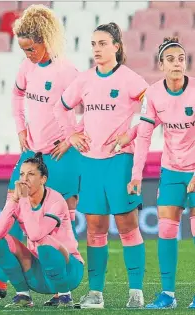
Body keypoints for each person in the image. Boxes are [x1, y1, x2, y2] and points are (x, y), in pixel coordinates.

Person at [0, 4, 81, 307]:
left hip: (61, 155)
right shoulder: (27, 67)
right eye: (23, 49)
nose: (28, 54)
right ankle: (8, 282)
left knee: (56, 221)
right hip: (33, 151)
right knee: (16, 208)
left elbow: (87, 109)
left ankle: (62, 289)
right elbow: (17, 95)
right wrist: (20, 129)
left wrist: (70, 139)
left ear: (46, 40)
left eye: (31, 48)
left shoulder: (67, 72)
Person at [54, 22, 149, 309]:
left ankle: (136, 292)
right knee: (95, 227)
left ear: (117, 47)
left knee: (127, 224)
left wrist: (130, 134)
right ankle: (95, 293)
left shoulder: (130, 78)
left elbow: (151, 105)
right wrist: (71, 134)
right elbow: (60, 106)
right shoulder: (84, 80)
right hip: (91, 162)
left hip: (120, 160)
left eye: (103, 43)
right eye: (94, 43)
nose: (96, 48)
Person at [127, 36, 195, 309]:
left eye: (181, 59)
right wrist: (136, 175)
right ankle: (168, 295)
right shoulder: (154, 94)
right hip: (171, 171)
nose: (177, 63)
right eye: (171, 59)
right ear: (161, 64)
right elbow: (143, 135)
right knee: (166, 230)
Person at [0, 153, 84, 308]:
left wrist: (24, 200)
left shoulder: (56, 201)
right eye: (21, 174)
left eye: (31, 174)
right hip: (39, 277)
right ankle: (23, 296)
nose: (24, 179)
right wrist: (13, 200)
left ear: (43, 179)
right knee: (1, 242)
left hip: (69, 273)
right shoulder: (20, 200)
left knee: (44, 242)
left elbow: (35, 235)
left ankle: (64, 297)